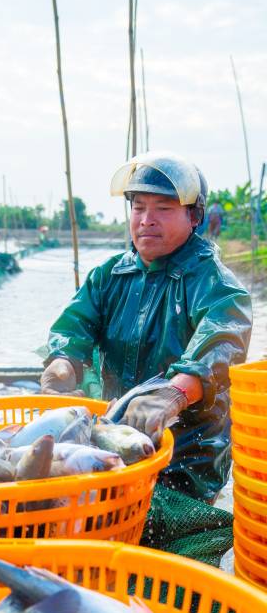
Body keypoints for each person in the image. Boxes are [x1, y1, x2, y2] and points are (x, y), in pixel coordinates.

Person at [40, 152, 252, 502]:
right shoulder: (108, 276)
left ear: (194, 216)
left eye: (164, 209)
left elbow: (221, 342)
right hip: (115, 443)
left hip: (185, 462)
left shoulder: (216, 284)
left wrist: (175, 393)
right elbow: (73, 327)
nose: (146, 220)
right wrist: (61, 362)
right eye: (138, 208)